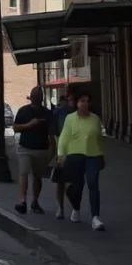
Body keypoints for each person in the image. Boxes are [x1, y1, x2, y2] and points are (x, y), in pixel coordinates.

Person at [57, 92, 106, 231]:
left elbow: (99, 139)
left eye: (87, 101)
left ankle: (95, 217)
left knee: (93, 183)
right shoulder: (70, 119)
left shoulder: (95, 119)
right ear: (77, 103)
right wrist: (61, 155)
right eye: (82, 101)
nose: (85, 103)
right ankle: (76, 208)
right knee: (77, 186)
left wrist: (102, 155)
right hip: (75, 155)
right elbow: (64, 137)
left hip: (93, 155)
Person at [12, 86, 52, 215]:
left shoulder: (47, 113)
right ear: (31, 97)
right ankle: (22, 201)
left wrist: (53, 150)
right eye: (36, 94)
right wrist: (29, 125)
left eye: (40, 95)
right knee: (23, 173)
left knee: (37, 176)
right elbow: (15, 128)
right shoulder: (23, 111)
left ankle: (35, 201)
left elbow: (51, 132)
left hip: (41, 148)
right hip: (25, 147)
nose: (39, 97)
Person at [50, 87, 77, 219]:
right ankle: (60, 208)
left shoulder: (81, 113)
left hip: (78, 151)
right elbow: (55, 134)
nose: (71, 101)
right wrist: (57, 153)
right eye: (69, 98)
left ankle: (75, 208)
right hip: (63, 151)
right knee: (61, 180)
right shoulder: (60, 113)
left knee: (74, 182)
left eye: (73, 99)